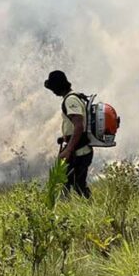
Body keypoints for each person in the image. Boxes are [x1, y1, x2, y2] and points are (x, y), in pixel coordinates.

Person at [44, 70, 93, 198]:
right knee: (66, 183)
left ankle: (87, 209)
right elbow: (75, 127)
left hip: (79, 152)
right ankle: (68, 209)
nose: (53, 91)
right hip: (77, 149)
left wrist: (68, 150)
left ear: (58, 86)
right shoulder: (72, 97)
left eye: (53, 88)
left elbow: (78, 125)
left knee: (76, 185)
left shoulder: (70, 100)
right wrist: (65, 137)